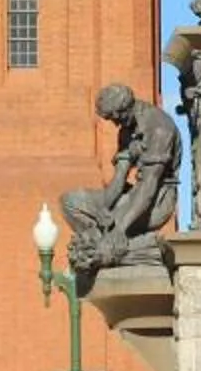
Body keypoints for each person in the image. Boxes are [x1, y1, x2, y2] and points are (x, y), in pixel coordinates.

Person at [59, 82, 182, 274]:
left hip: (157, 201)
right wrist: (102, 210)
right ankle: (98, 243)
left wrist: (119, 228)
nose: (115, 124)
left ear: (126, 108)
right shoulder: (126, 128)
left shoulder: (159, 129)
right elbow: (118, 182)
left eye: (115, 118)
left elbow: (148, 187)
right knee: (70, 202)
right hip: (132, 194)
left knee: (115, 226)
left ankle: (111, 248)